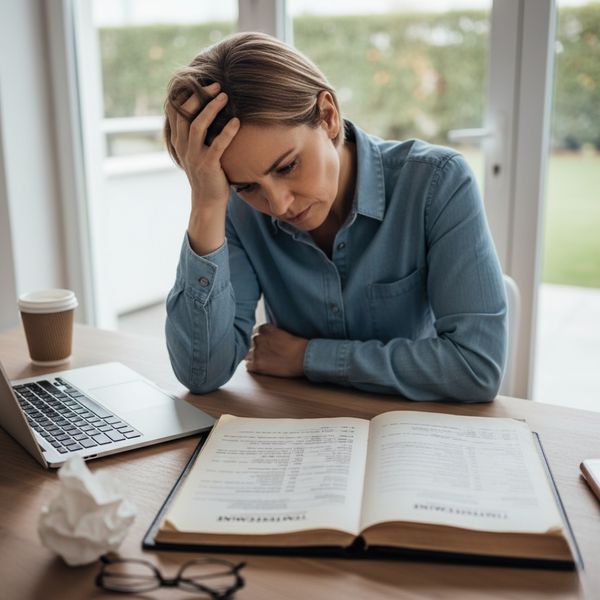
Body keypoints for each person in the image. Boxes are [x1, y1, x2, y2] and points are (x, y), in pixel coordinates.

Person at [163, 31, 507, 402]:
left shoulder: (436, 183)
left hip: (415, 435)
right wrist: (207, 204)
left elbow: (476, 367)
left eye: (287, 166)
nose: (277, 204)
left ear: (327, 116)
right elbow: (202, 374)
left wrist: (307, 358)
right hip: (299, 428)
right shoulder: (237, 206)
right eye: (247, 186)